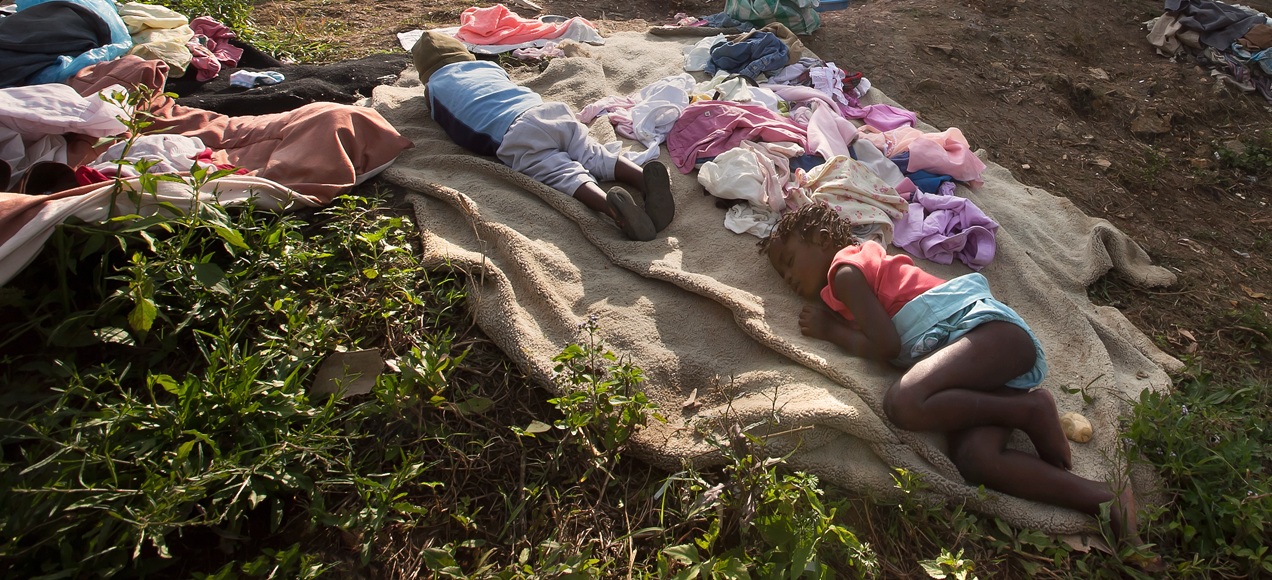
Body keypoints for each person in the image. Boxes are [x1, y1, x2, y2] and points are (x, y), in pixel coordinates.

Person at [762, 203, 1154, 560]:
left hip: (990, 337)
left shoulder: (845, 271)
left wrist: (833, 331)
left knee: (903, 402)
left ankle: (1029, 410)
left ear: (823, 239)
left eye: (791, 261)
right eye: (782, 273)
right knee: (975, 461)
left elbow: (886, 343)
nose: (789, 278)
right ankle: (1103, 500)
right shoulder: (845, 284)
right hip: (982, 368)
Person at [413, 30, 674, 241]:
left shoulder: (434, 88)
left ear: (425, 75)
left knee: (562, 172)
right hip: (546, 111)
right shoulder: (488, 68)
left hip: (512, 132)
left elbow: (439, 111)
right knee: (591, 152)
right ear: (465, 55)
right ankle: (641, 179)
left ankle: (611, 207)